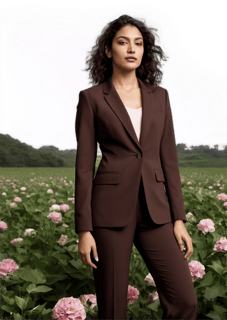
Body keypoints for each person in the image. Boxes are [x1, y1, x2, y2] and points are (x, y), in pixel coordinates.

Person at [74, 13, 197, 319]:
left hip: (155, 211)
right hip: (109, 212)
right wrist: (84, 229)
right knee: (113, 308)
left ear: (145, 51)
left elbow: (169, 160)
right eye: (123, 42)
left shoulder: (160, 97)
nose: (131, 49)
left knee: (184, 301)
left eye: (138, 43)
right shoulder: (92, 99)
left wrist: (178, 218)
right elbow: (84, 167)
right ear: (107, 50)